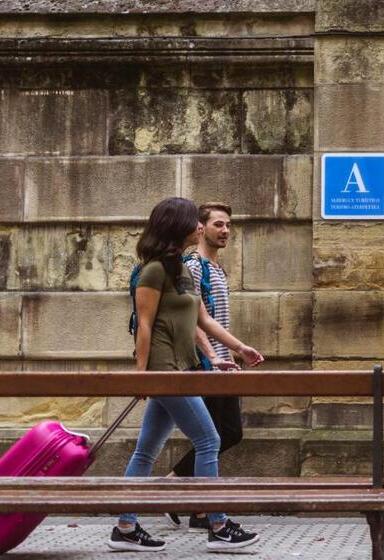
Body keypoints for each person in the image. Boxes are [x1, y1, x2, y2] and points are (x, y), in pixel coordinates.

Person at [107, 197, 264, 553]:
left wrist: (237, 350)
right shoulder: (153, 271)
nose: (199, 226)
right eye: (194, 221)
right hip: (164, 371)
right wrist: (141, 376)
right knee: (209, 440)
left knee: (147, 451)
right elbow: (143, 326)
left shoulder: (182, 269)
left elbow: (202, 320)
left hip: (183, 368)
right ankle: (218, 524)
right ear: (176, 225)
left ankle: (126, 527)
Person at [165, 202, 250, 533]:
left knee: (219, 434)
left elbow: (213, 318)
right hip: (206, 364)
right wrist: (212, 355)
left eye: (228, 225)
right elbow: (193, 320)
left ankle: (193, 503)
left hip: (221, 363)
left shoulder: (217, 268)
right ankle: (182, 494)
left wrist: (235, 348)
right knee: (221, 434)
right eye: (218, 224)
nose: (225, 230)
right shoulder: (194, 265)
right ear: (201, 228)